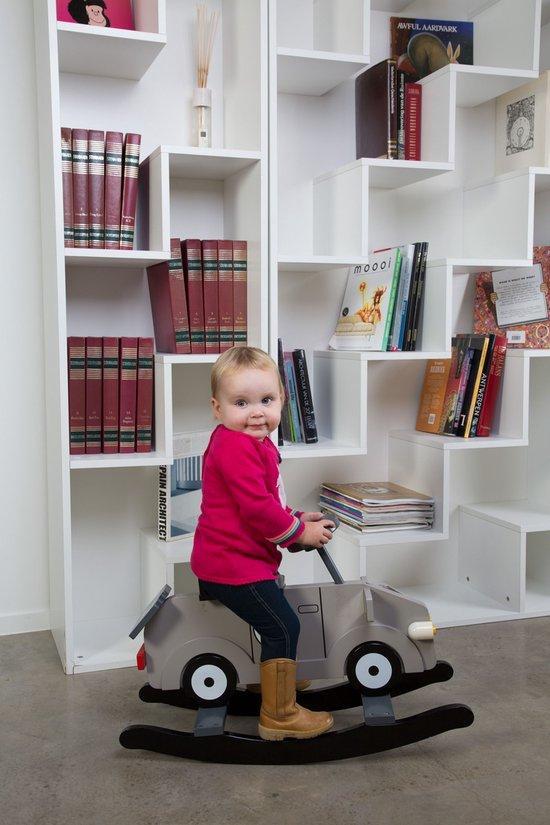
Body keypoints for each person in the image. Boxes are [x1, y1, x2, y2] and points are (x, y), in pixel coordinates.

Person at [191, 346, 335, 741]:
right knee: (283, 624)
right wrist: (298, 534)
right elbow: (256, 510)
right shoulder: (236, 448)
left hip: (236, 559)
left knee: (272, 623)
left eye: (266, 400)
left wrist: (294, 518)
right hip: (232, 565)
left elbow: (266, 498)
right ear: (217, 408)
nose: (257, 412)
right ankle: (279, 714)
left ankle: (274, 681)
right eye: (241, 403)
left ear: (282, 400)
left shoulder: (254, 442)